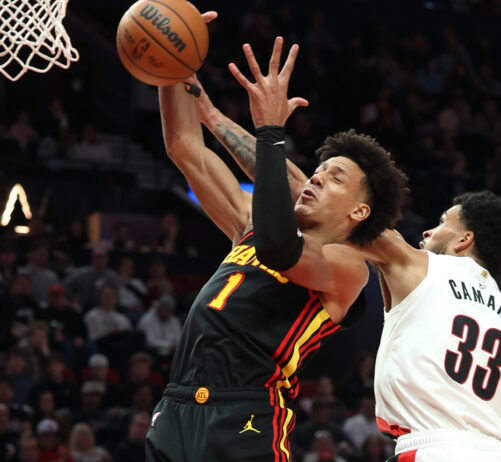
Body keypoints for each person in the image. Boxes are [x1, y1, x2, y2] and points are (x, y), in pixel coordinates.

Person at [190, 41, 501, 462]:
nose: (428, 229)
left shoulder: (418, 264)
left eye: (444, 222)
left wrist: (220, 118)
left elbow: (303, 191)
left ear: (464, 240)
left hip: (431, 448)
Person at [145, 34, 407, 462]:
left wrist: (269, 130)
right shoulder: (250, 224)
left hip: (246, 411)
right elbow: (184, 149)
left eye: (335, 177)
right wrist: (169, 68)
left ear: (360, 211)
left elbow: (279, 247)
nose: (318, 178)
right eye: (319, 171)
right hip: (176, 406)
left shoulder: (348, 266)